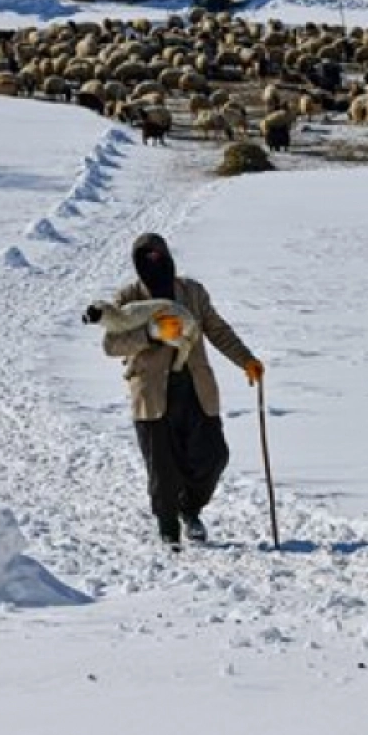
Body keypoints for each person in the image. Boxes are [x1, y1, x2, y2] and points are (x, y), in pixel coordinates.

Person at [88, 232, 263, 547]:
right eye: (146, 257)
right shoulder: (128, 297)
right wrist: (152, 336)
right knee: (163, 470)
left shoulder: (192, 293)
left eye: (158, 255)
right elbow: (111, 344)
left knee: (213, 457)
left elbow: (217, 330)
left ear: (168, 257)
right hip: (152, 393)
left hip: (195, 387)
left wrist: (246, 360)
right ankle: (168, 532)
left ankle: (190, 510)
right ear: (138, 262)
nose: (153, 262)